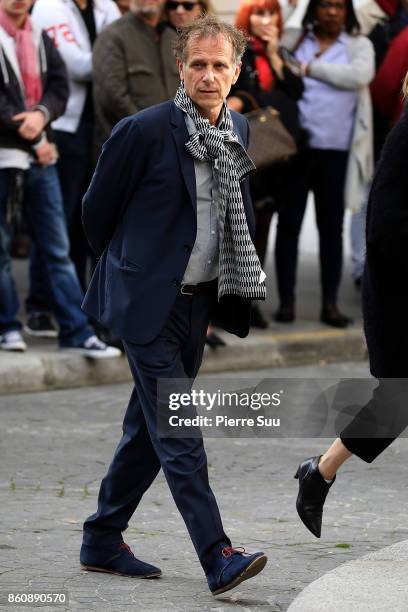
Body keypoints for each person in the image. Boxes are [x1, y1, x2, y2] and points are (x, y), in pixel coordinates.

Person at [79, 15, 268, 595]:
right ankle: (218, 555)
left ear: (236, 72)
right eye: (198, 65)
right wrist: (136, 272)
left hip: (196, 309)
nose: (208, 76)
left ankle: (102, 539)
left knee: (148, 428)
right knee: (180, 429)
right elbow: (95, 213)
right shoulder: (143, 130)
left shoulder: (238, 128)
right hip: (145, 305)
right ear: (180, 69)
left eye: (220, 66)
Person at [294, 75, 408, 539]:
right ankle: (318, 473)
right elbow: (385, 229)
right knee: (398, 399)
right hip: (400, 292)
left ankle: (319, 473)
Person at [0, 0, 120, 358]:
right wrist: (37, 135)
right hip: (10, 156)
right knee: (2, 249)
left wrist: (41, 113)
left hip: (41, 156)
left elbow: (59, 86)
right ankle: (7, 326)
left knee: (58, 248)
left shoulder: (36, 33)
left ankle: (75, 331)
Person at [274, 0, 375, 327]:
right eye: (325, 6)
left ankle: (330, 305)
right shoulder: (298, 40)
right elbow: (278, 54)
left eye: (339, 6)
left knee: (331, 230)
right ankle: (286, 303)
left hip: (336, 152)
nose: (332, 12)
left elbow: (359, 76)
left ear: (348, 12)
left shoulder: (358, 45)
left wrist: (311, 69)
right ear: (314, 10)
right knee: (288, 227)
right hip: (296, 150)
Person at [30, 0, 120, 332]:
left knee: (86, 220)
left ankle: (79, 300)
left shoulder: (106, 6)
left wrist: (111, 59)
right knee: (56, 220)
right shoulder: (49, 8)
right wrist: (113, 59)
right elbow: (80, 66)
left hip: (95, 128)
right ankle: (40, 303)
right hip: (65, 127)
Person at [228, 0, 304, 329]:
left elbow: (297, 90)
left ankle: (260, 302)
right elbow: (240, 92)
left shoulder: (283, 54)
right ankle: (238, 305)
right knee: (246, 232)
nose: (265, 19)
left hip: (282, 154)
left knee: (271, 229)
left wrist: (274, 54)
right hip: (251, 150)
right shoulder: (238, 54)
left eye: (271, 12)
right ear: (247, 17)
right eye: (259, 12)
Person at [91, 0, 170, 159]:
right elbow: (112, 96)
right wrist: (149, 132)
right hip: (127, 150)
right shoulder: (112, 36)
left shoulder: (172, 38)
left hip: (170, 149)